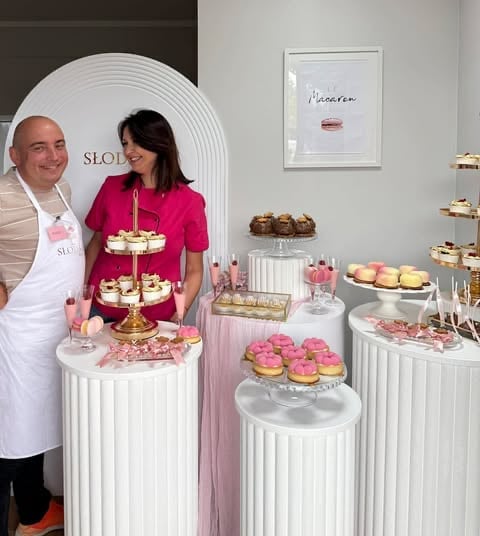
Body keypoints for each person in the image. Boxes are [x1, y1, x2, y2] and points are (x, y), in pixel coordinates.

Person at [0, 116, 85, 536]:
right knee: (7, 438)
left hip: (58, 335)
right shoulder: (2, 197)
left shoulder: (61, 192)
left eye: (59, 144)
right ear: (15, 156)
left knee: (33, 429)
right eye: (39, 148)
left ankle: (34, 513)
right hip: (16, 340)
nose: (53, 157)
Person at [84, 109, 209, 321]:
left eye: (137, 142)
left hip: (157, 312)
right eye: (125, 143)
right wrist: (83, 295)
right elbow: (96, 243)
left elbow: (194, 269)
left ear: (159, 144)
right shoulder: (111, 188)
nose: (128, 151)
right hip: (102, 309)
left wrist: (180, 312)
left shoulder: (190, 201)